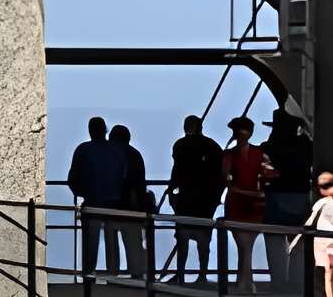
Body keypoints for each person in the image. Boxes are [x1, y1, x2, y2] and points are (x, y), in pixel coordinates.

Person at [163, 114, 222, 281]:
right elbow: (219, 175)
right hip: (206, 200)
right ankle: (202, 275)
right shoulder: (212, 146)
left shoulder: (180, 145)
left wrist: (171, 190)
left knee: (182, 237)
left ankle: (180, 274)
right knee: (204, 239)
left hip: (186, 198)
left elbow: (177, 170)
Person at [220, 116, 273, 288]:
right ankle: (246, 281)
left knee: (243, 243)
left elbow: (225, 178)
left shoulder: (229, 155)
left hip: (238, 202)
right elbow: (271, 174)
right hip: (254, 203)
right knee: (246, 243)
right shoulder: (260, 154)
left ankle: (244, 281)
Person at [63, 116, 114, 274]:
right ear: (105, 130)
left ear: (90, 131)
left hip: (91, 202)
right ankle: (113, 275)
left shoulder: (83, 150)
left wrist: (83, 193)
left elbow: (72, 179)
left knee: (90, 244)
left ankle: (88, 276)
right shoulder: (114, 149)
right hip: (114, 203)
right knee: (112, 242)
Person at [262, 108, 316, 250]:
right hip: (301, 197)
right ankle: (298, 272)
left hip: (275, 198)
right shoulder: (306, 146)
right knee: (298, 245)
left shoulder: (270, 147)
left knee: (275, 246)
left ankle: (280, 272)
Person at [105, 123, 153, 276]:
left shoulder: (109, 154)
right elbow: (140, 182)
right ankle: (136, 273)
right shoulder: (135, 155)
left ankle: (112, 274)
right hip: (132, 207)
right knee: (133, 244)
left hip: (110, 205)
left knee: (111, 245)